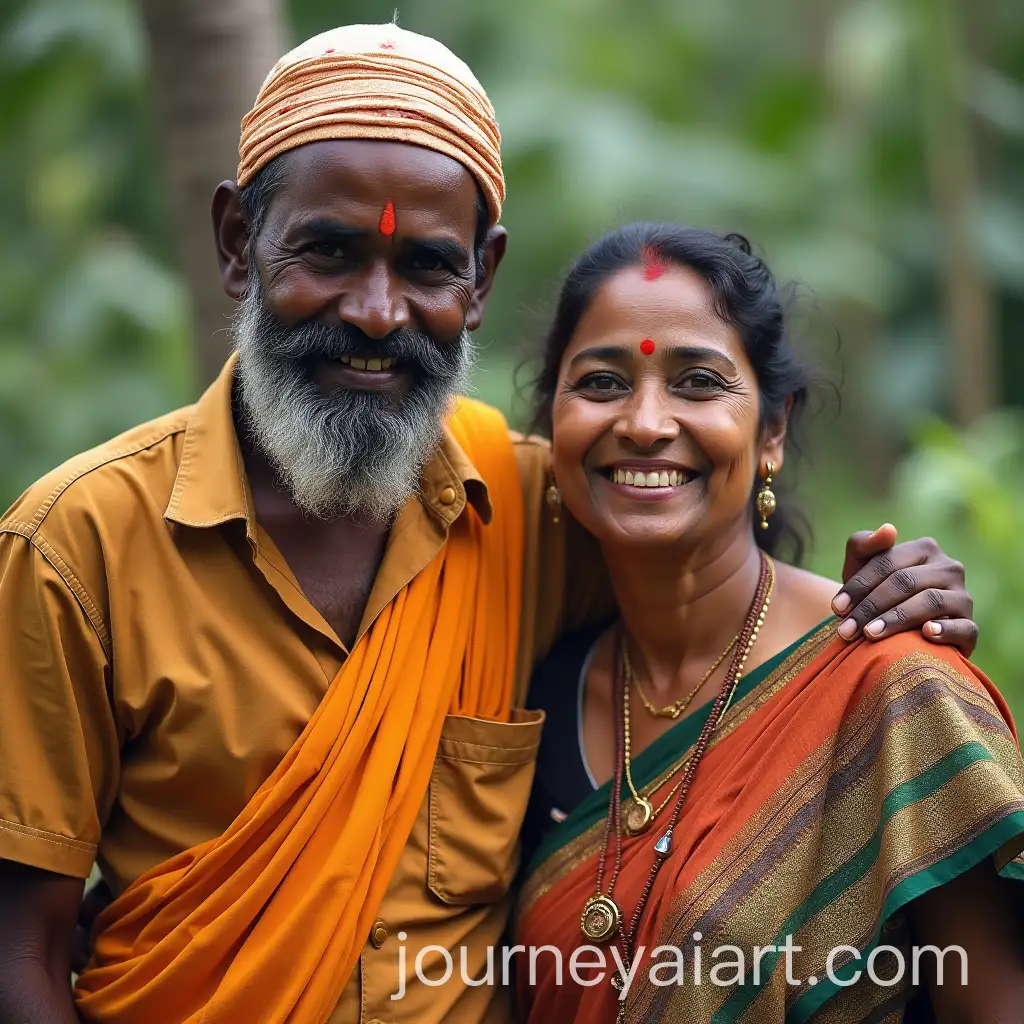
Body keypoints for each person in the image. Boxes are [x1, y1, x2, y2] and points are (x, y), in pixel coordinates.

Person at [0, 24, 980, 1024]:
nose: (378, 312)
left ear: (481, 281)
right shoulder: (78, 546)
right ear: (235, 246)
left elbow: (722, 592)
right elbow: (18, 954)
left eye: (426, 266)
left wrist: (899, 604)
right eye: (329, 252)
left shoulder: (542, 511)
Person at [515, 223, 1024, 1023]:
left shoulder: (893, 683)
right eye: (603, 383)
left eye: (697, 382)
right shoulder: (537, 691)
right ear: (553, 424)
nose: (645, 422)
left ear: (773, 432)